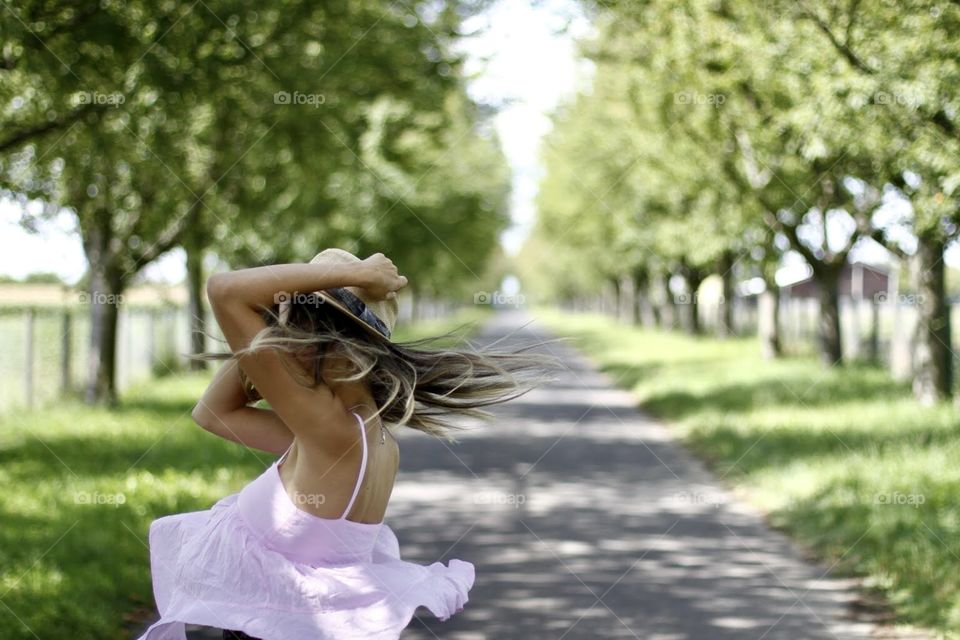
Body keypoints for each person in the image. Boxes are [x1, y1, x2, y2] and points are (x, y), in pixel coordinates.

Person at [135, 248, 564, 640]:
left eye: (292, 324)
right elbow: (213, 414)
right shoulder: (361, 432)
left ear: (326, 337)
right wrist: (290, 306)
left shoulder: (328, 428)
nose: (278, 337)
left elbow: (224, 290)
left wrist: (353, 274)